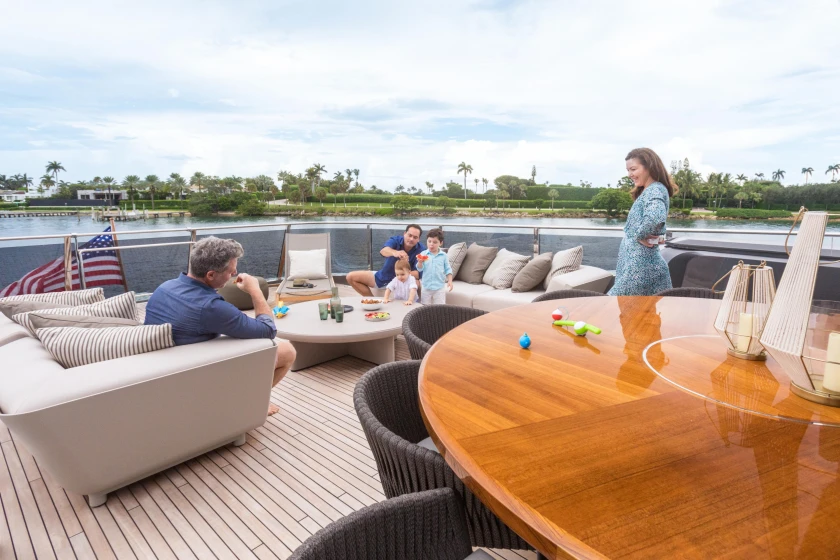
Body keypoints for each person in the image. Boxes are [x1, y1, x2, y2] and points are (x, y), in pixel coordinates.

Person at [144, 236, 296, 416]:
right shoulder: (210, 307)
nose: (235, 273)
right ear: (210, 275)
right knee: (287, 351)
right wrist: (254, 290)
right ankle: (253, 401)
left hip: (164, 369)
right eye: (231, 271)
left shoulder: (164, 288)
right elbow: (268, 330)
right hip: (198, 377)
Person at [608, 148, 677, 296]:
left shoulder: (654, 190)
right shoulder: (651, 189)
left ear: (649, 167)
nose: (630, 174)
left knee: (611, 304)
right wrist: (646, 237)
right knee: (643, 310)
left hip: (640, 267)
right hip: (639, 265)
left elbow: (655, 218)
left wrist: (639, 236)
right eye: (628, 170)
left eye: (633, 169)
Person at [346, 224, 425, 296]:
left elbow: (418, 274)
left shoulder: (422, 250)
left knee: (416, 283)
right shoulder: (395, 240)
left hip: (403, 282)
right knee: (350, 277)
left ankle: (409, 304)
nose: (411, 239)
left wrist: (402, 270)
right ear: (404, 234)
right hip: (384, 277)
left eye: (415, 237)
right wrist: (395, 253)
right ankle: (372, 300)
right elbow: (383, 251)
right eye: (409, 235)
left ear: (418, 239)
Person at [415, 228, 452, 305]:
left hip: (439, 287)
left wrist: (450, 281)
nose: (431, 244)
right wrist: (420, 262)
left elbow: (448, 269)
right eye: (429, 241)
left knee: (440, 307)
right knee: (425, 306)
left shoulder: (444, 256)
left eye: (435, 242)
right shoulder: (423, 254)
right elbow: (419, 269)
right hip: (426, 286)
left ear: (440, 243)